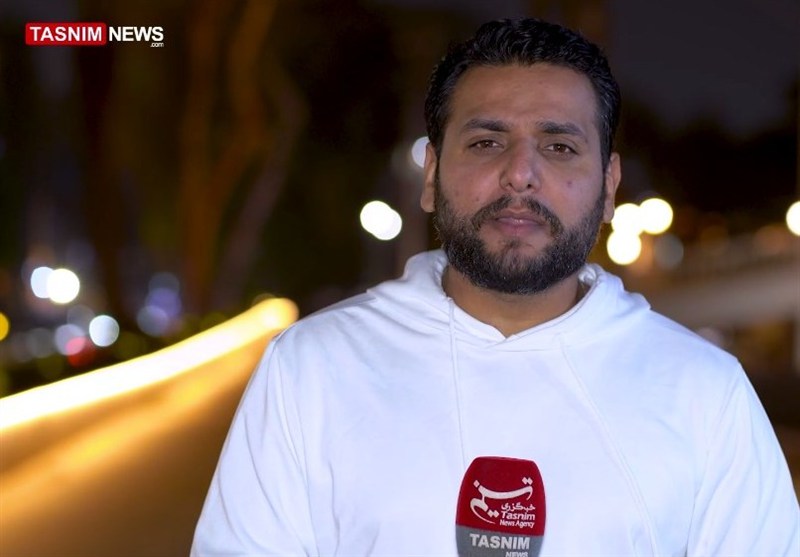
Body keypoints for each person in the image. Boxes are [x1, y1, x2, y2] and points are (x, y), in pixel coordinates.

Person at [191, 17, 800, 556]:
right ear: (432, 174)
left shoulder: (704, 392)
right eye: (487, 142)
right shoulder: (312, 369)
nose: (520, 174)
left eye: (559, 146)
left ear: (609, 187)